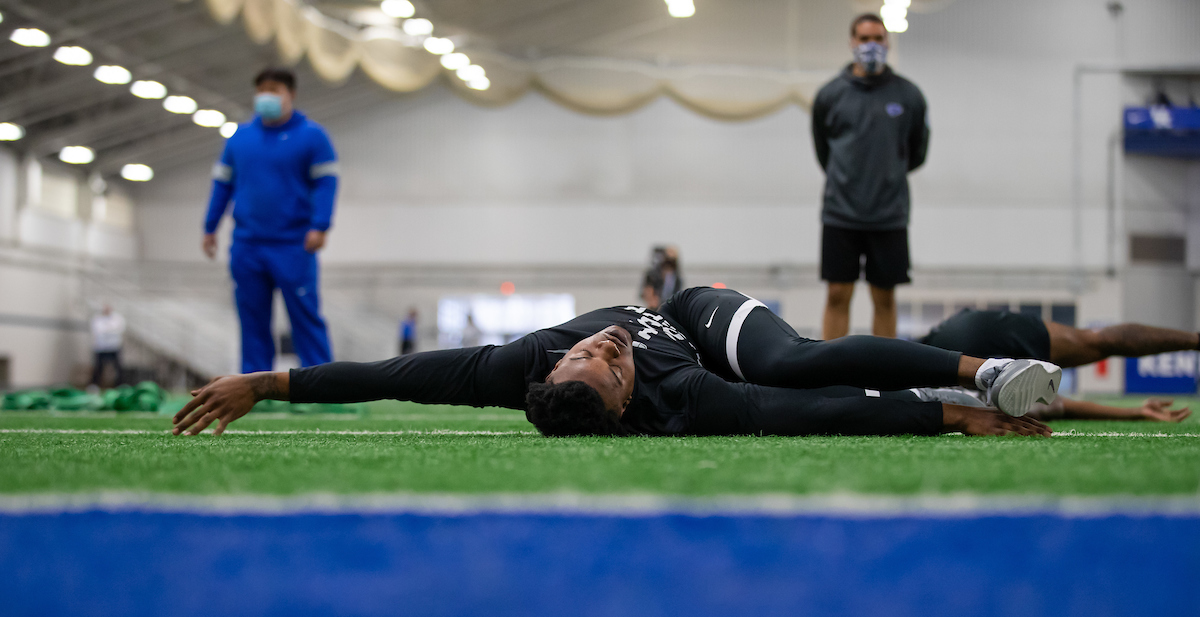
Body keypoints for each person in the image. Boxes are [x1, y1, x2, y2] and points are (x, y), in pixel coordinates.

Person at [172, 287, 1058, 439]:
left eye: (585, 354)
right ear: (628, 397)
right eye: (610, 362)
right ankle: (962, 391)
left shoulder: (514, 363)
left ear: (547, 376)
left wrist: (267, 381)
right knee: (795, 396)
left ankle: (980, 364)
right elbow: (819, 420)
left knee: (792, 361)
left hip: (696, 315)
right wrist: (948, 419)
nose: (602, 348)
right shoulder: (685, 402)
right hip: (712, 373)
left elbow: (387, 375)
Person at [203, 67, 339, 373]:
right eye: (261, 89)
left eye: (274, 90)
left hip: (294, 243)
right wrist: (210, 227)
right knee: (251, 319)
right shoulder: (239, 138)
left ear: (291, 94)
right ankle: (253, 387)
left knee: (305, 316)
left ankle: (320, 386)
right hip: (248, 244)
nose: (266, 96)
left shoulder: (313, 137)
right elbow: (222, 185)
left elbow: (326, 183)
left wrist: (321, 224)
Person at [812, 13, 929, 341]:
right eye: (864, 39)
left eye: (878, 38)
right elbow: (824, 153)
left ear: (887, 42)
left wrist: (887, 174)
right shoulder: (830, 96)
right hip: (841, 213)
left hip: (888, 215)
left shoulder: (909, 96)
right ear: (852, 42)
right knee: (837, 293)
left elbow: (917, 153)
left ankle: (883, 377)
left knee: (885, 297)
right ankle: (829, 372)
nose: (871, 45)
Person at [915, 307, 1199, 422]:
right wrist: (1135, 412)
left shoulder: (911, 392)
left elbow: (1057, 405)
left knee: (1019, 402)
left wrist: (1134, 412)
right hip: (962, 329)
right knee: (1094, 340)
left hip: (954, 347)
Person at [89, 304, 125, 388]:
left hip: (114, 347)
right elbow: (98, 330)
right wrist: (110, 329)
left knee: (118, 367)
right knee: (98, 367)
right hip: (100, 348)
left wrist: (107, 330)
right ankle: (94, 385)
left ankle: (119, 386)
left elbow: (119, 329)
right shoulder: (97, 318)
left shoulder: (117, 318)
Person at [639, 246, 684, 311]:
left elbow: (677, 293)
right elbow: (646, 290)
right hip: (655, 307)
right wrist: (651, 298)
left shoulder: (676, 278)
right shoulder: (653, 275)